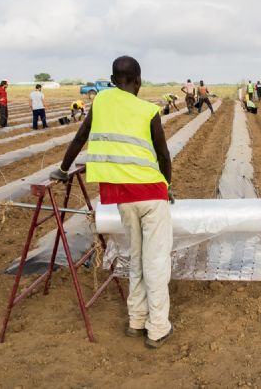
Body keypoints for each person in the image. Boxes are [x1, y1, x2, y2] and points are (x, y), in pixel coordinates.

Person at [49, 56, 175, 349]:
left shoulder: (101, 101)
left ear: (111, 78)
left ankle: (135, 321)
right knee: (155, 262)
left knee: (136, 257)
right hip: (151, 195)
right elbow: (164, 155)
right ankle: (157, 328)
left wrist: (64, 169)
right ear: (139, 81)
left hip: (121, 198)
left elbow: (81, 135)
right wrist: (167, 186)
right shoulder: (149, 110)